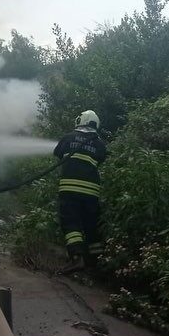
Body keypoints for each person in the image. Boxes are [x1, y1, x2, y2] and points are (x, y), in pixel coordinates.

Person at [53, 109, 108, 274]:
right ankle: (97, 264)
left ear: (80, 120)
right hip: (92, 191)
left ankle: (77, 258)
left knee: (71, 223)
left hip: (70, 188)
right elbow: (101, 158)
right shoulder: (100, 143)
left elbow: (58, 152)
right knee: (91, 226)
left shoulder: (69, 137)